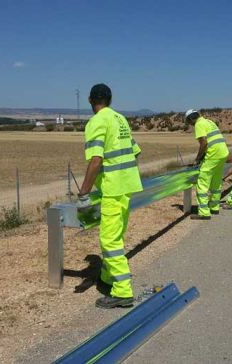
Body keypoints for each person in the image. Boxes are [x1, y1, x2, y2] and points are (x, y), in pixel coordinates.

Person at [76, 83, 142, 309]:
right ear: (110, 100)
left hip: (113, 190)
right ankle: (106, 279)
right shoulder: (120, 119)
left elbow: (96, 160)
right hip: (127, 186)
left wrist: (84, 192)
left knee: (110, 240)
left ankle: (123, 293)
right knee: (116, 235)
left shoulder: (97, 122)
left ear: (90, 100)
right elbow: (136, 151)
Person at [185, 109, 229, 220]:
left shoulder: (199, 124)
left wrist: (197, 159)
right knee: (216, 181)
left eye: (188, 122)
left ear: (190, 119)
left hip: (214, 154)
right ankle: (214, 207)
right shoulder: (209, 122)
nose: (189, 125)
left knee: (202, 182)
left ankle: (204, 212)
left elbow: (204, 143)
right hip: (223, 153)